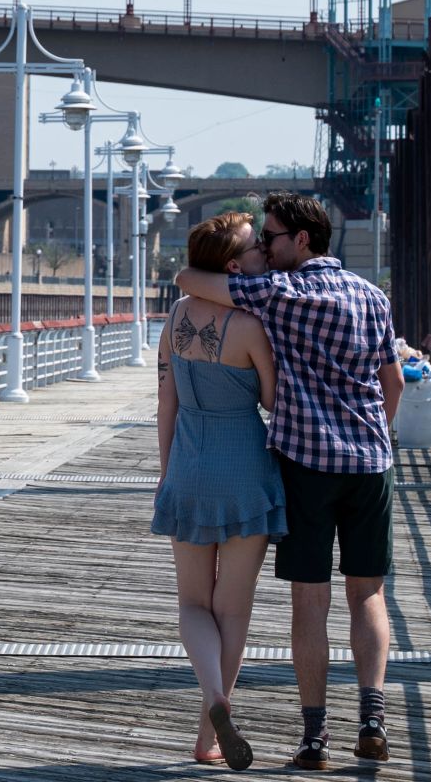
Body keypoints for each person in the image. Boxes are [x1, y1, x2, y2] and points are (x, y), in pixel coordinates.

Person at [174, 192, 404, 769]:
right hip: (370, 465)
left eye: (272, 238)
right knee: (368, 593)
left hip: (306, 467)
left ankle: (313, 739)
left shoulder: (278, 294)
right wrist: (376, 438)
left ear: (302, 240)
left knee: (311, 599)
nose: (266, 248)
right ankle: (372, 716)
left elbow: (192, 282)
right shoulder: (373, 297)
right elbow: (393, 381)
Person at [152, 211, 285, 771]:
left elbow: (166, 402)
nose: (264, 258)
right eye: (256, 251)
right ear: (233, 266)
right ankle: (208, 731)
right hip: (245, 469)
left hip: (189, 463)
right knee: (233, 610)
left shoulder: (177, 316)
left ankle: (213, 700)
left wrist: (167, 473)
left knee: (191, 603)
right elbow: (274, 403)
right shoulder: (252, 327)